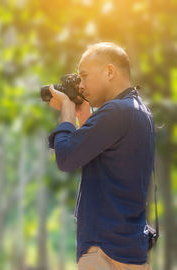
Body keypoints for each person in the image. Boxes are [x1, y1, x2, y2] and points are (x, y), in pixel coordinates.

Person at [47, 42, 154, 270]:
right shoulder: (139, 111)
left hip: (104, 252)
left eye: (84, 76)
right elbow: (99, 154)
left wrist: (66, 107)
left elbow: (66, 158)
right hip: (130, 251)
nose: (82, 86)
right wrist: (84, 115)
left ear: (109, 71)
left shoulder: (116, 111)